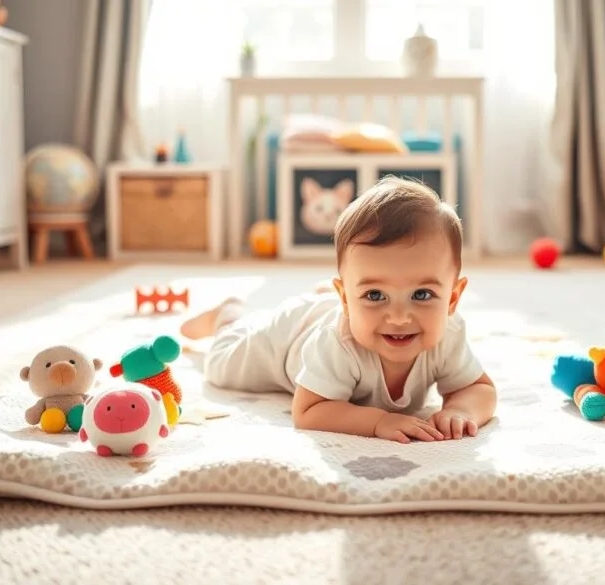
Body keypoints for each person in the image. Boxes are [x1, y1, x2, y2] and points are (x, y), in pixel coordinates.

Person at [180, 176, 496, 443]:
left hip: (334, 308)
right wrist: (378, 422)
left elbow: (479, 388)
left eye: (422, 294)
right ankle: (228, 316)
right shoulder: (337, 344)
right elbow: (308, 411)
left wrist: (462, 410)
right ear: (346, 299)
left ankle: (343, 295)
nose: (399, 317)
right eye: (375, 294)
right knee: (221, 367)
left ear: (453, 299)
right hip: (288, 338)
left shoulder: (449, 334)